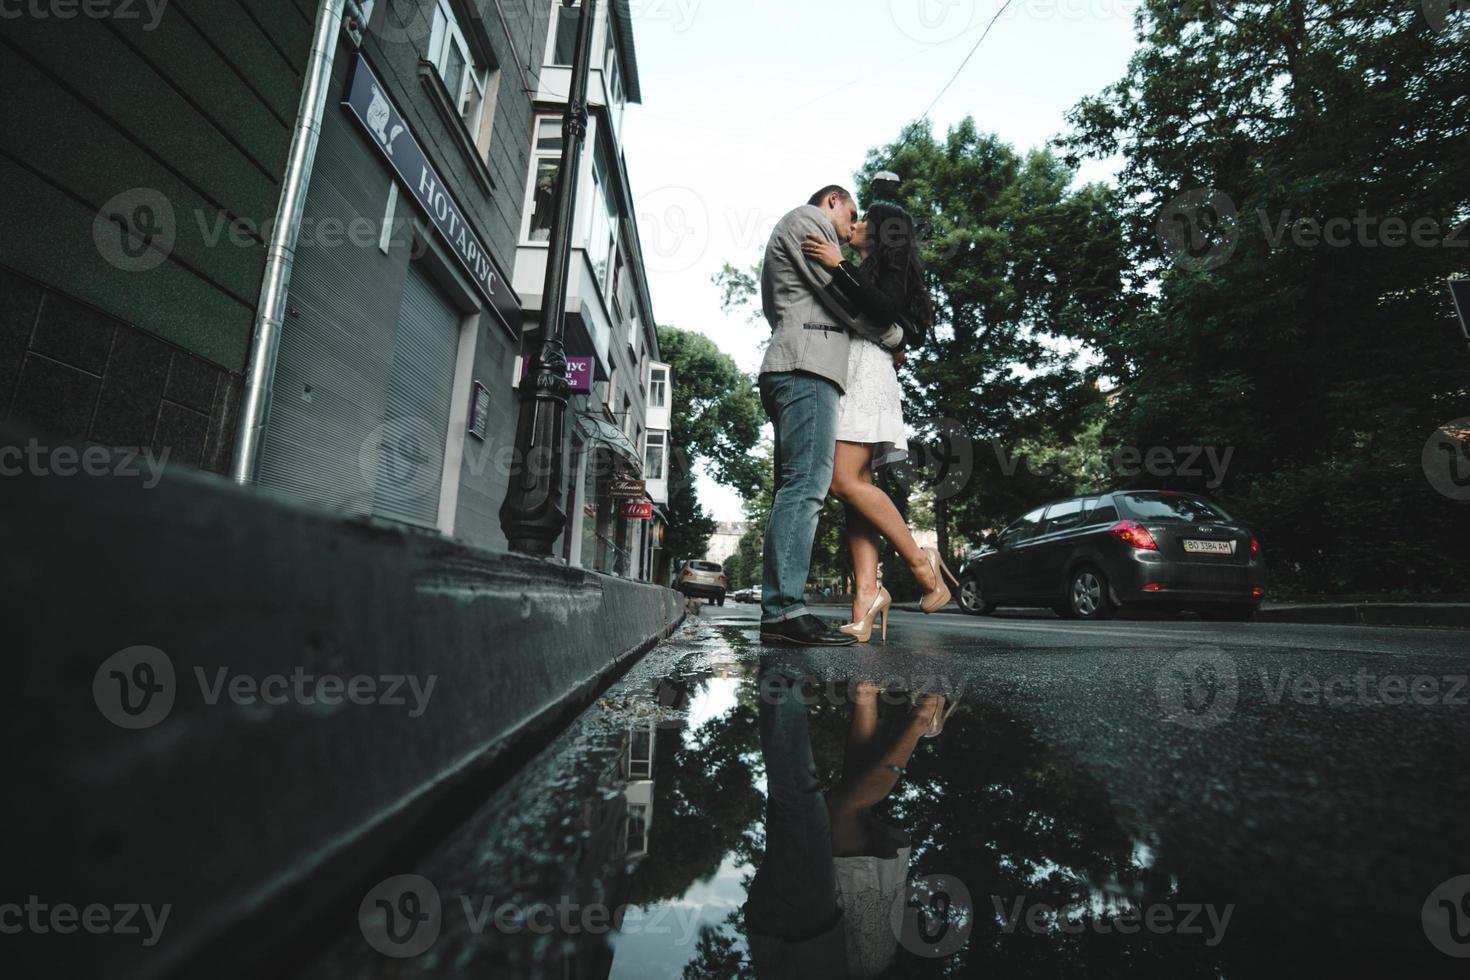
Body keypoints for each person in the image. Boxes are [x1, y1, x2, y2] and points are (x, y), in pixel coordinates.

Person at [757, 186, 907, 647]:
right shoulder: (809, 222)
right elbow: (844, 304)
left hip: (801, 367)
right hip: (807, 370)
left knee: (799, 486)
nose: (852, 225)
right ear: (833, 201)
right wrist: (894, 333)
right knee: (806, 487)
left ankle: (781, 610)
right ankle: (784, 611)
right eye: (852, 213)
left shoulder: (810, 232)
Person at [800, 202, 957, 642]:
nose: (859, 223)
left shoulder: (878, 270)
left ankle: (921, 563)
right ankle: (866, 597)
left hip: (867, 373)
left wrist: (839, 266)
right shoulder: (873, 270)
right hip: (857, 369)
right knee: (856, 489)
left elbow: (887, 312)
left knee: (842, 482)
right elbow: (893, 322)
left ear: (884, 234)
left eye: (866, 219)